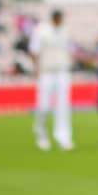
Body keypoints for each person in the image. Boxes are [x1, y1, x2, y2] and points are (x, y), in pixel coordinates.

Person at [29, 9, 74, 151]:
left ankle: (63, 137)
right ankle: (41, 134)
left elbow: (70, 51)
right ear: (54, 18)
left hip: (62, 71)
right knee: (43, 105)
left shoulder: (66, 31)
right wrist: (36, 69)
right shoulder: (41, 31)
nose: (61, 21)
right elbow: (34, 51)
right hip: (46, 72)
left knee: (63, 106)